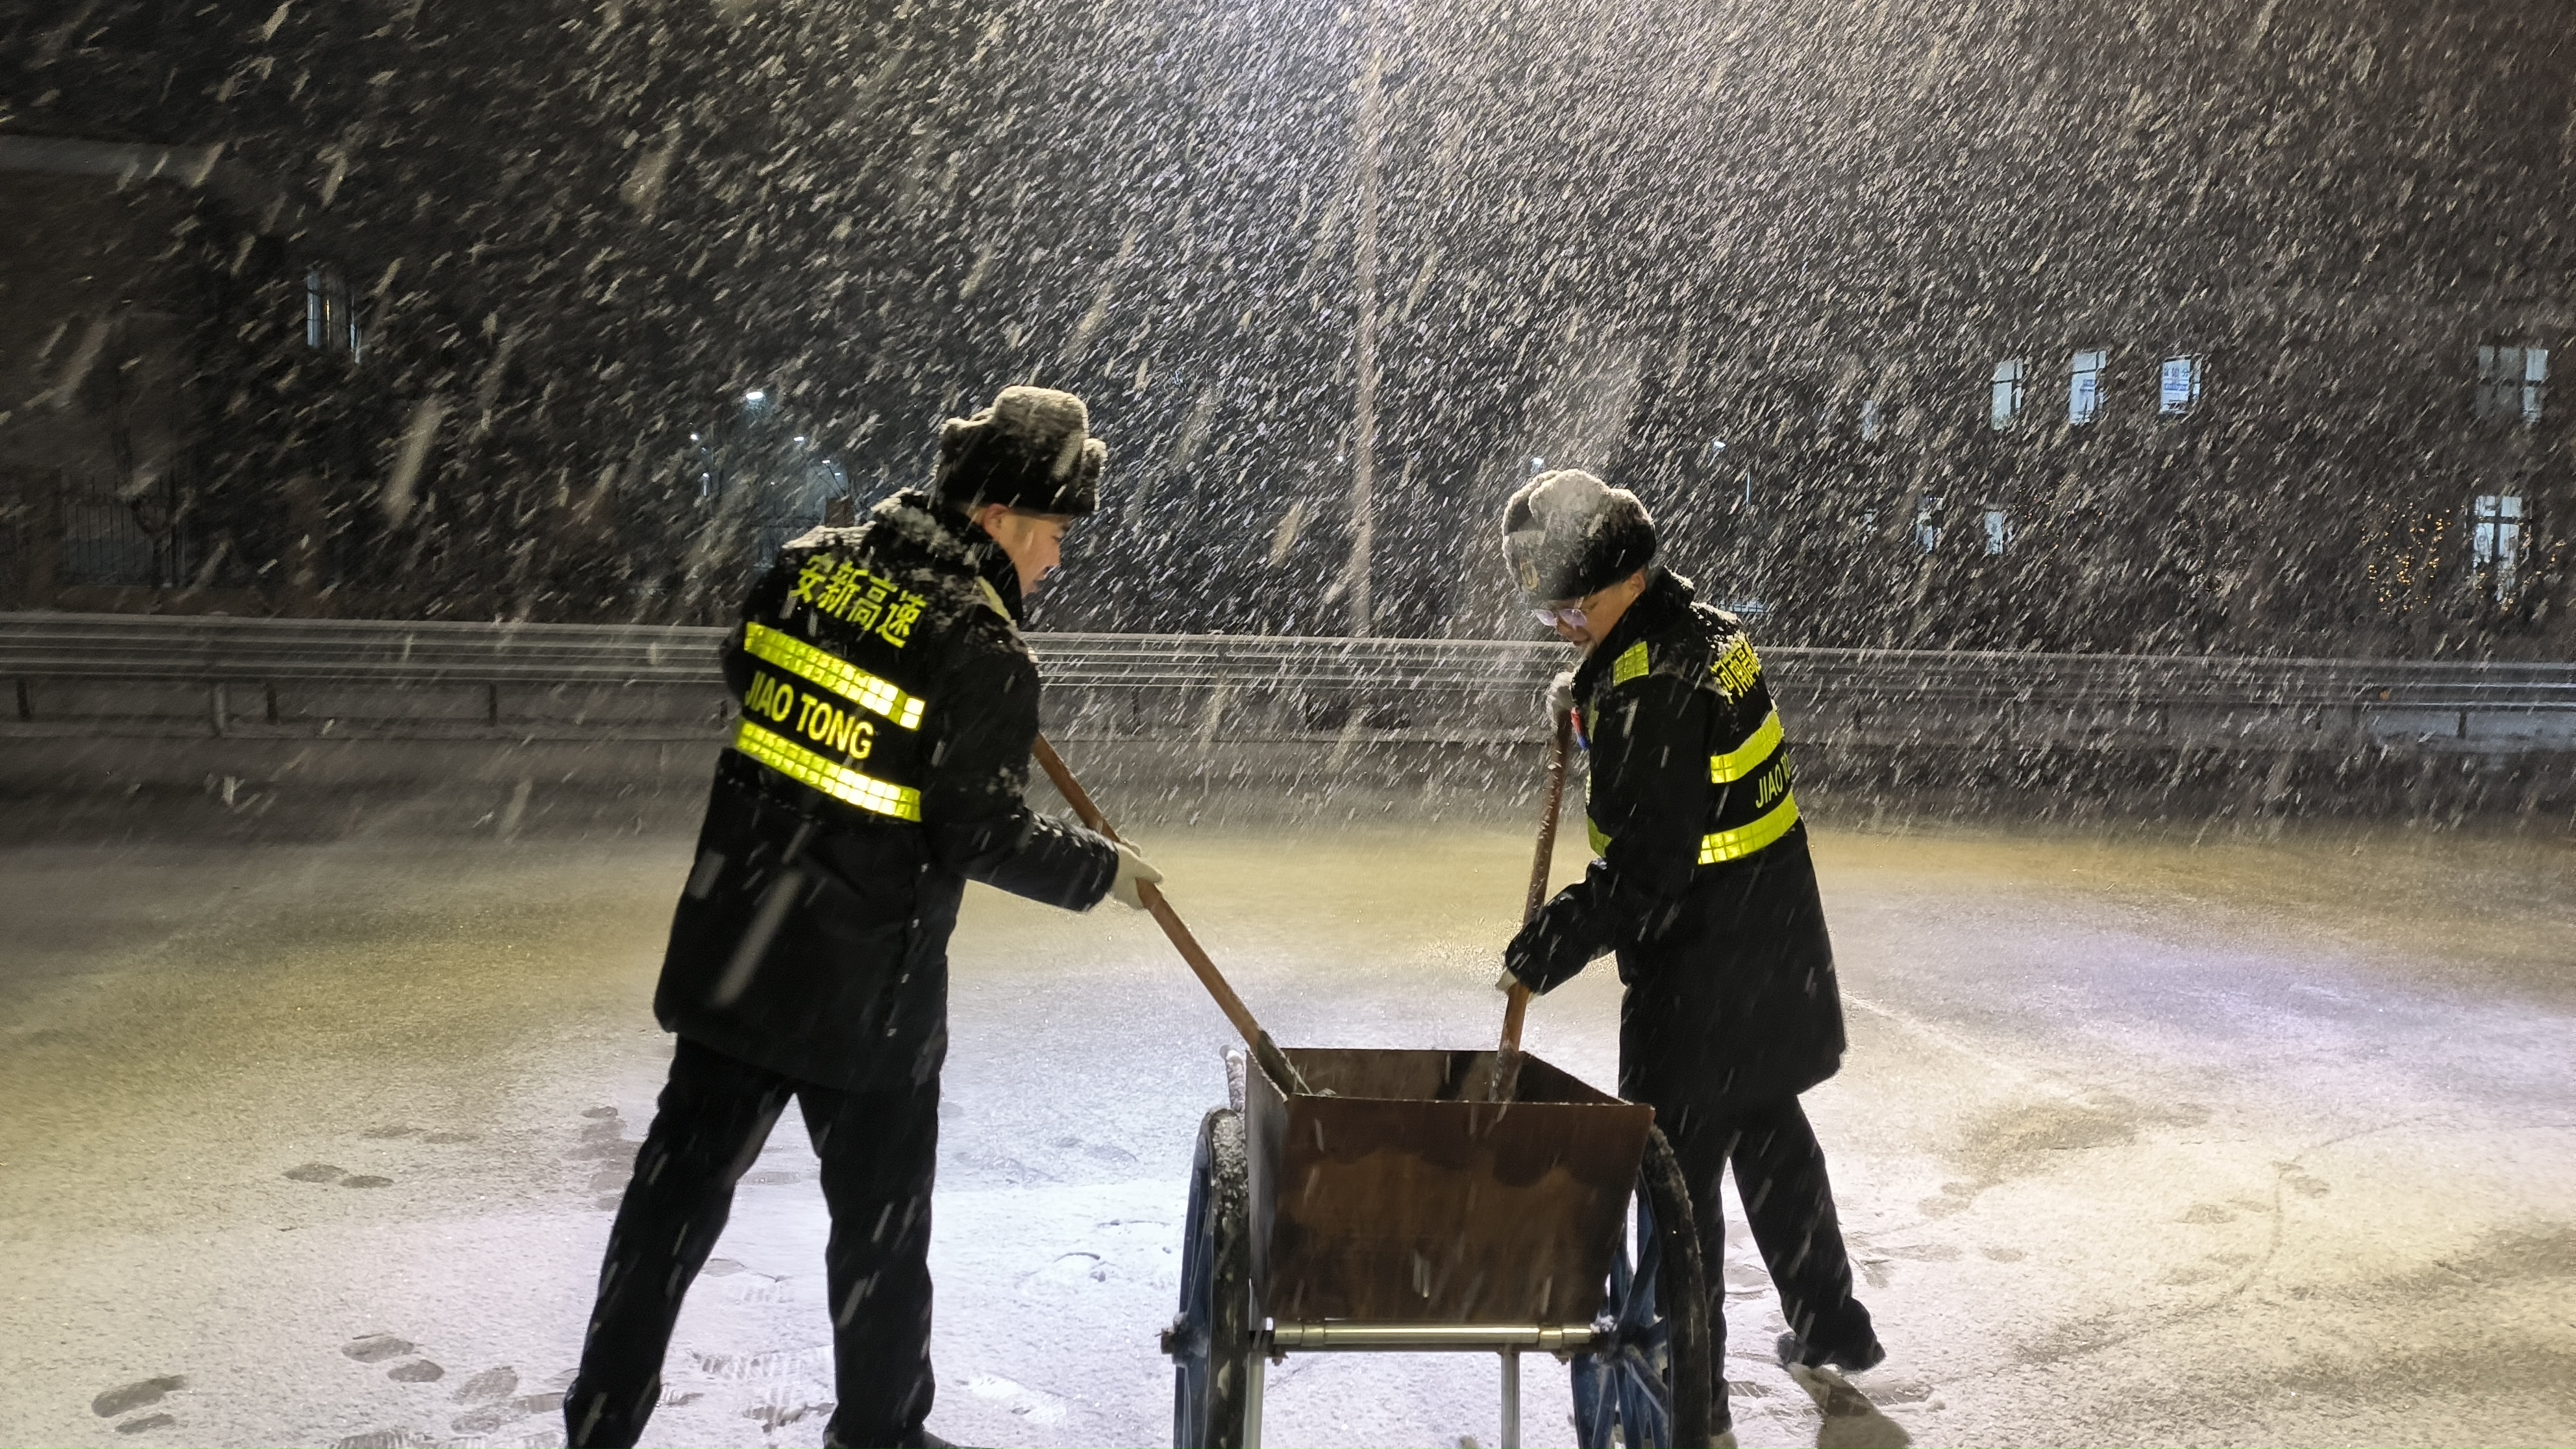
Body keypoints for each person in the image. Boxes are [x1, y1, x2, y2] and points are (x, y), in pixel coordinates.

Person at [566, 386, 1163, 1449]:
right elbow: (978, 833)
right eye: (1053, 534)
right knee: (880, 1238)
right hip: (867, 997)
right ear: (998, 519)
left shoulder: (809, 567)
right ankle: (879, 1433)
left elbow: (749, 666)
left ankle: (601, 1421)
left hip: (737, 949)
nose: (1055, 560)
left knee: (670, 1210)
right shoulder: (983, 650)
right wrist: (1099, 870)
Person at [1496, 469, 1883, 1441]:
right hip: (1770, 936)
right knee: (1770, 1133)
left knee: (1677, 1186)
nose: (1562, 625)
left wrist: (1550, 943)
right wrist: (1591, 692)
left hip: (1701, 964)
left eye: (1575, 607)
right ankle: (1831, 1323)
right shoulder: (1701, 636)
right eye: (1552, 611)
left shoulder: (1652, 687)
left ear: (1628, 581)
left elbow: (1649, 869)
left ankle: (1693, 1396)